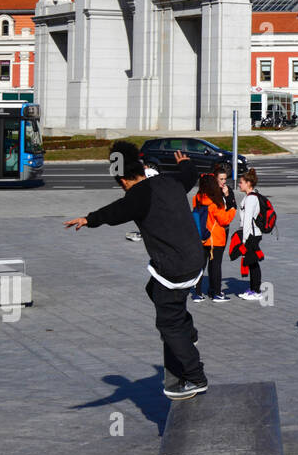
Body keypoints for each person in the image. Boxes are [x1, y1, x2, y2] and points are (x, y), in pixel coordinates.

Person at [64, 142, 208, 400]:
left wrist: (89, 219)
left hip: (174, 269)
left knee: (168, 324)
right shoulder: (170, 182)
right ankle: (188, 333)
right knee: (152, 289)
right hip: (196, 259)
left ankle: (196, 377)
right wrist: (184, 163)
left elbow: (116, 211)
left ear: (122, 180)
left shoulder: (137, 196)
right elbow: (190, 175)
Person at [191, 171, 236, 302]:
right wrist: (232, 207)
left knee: (200, 266)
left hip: (201, 237)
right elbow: (224, 220)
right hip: (215, 239)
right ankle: (216, 293)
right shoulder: (215, 202)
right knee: (215, 266)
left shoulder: (197, 198)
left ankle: (197, 294)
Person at [235, 169, 265, 301]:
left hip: (251, 235)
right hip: (252, 233)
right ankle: (253, 289)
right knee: (252, 261)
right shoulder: (249, 197)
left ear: (248, 183)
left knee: (252, 262)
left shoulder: (251, 199)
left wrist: (244, 239)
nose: (239, 185)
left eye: (241, 182)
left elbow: (247, 220)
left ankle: (256, 291)